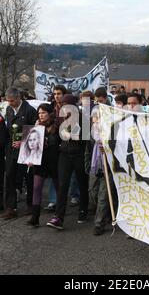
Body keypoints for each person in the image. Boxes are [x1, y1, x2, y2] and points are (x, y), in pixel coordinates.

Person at [47, 94, 89, 230]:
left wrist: (75, 135)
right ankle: (58, 217)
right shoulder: (60, 117)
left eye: (66, 105)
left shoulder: (83, 118)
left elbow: (86, 139)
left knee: (82, 183)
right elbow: (57, 136)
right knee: (63, 184)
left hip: (79, 155)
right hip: (64, 155)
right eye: (62, 105)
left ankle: (83, 210)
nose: (63, 107)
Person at [3, 87, 37, 220]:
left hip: (27, 150)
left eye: (12, 101)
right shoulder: (8, 110)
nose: (10, 103)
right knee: (10, 177)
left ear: (18, 98)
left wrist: (23, 141)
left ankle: (31, 204)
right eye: (8, 101)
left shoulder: (29, 110)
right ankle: (11, 207)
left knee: (29, 178)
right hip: (12, 150)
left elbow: (36, 131)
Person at [27, 103, 60, 227]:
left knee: (58, 188)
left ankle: (58, 215)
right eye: (39, 113)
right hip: (40, 162)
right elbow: (32, 145)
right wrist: (30, 158)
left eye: (43, 113)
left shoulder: (57, 126)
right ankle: (35, 217)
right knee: (36, 187)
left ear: (50, 113)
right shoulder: (37, 127)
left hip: (54, 162)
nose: (41, 115)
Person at [85, 88, 112, 236]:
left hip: (107, 164)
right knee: (93, 193)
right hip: (95, 165)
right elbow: (88, 149)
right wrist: (87, 164)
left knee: (103, 195)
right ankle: (105, 213)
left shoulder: (111, 119)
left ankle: (99, 223)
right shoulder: (92, 133)